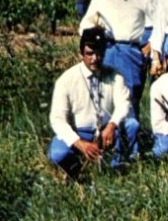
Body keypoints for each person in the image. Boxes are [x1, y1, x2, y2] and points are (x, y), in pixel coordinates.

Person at [48, 27, 140, 180]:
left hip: (106, 131)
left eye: (99, 53)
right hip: (79, 131)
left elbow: (124, 103)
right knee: (57, 154)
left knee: (132, 125)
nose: (94, 58)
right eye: (89, 54)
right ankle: (76, 171)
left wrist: (112, 125)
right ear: (81, 54)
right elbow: (57, 120)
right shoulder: (66, 80)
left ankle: (115, 169)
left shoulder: (115, 76)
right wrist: (79, 143)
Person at [79, 0, 156, 112]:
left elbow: (159, 22)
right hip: (107, 51)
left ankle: (131, 133)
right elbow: (84, 25)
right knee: (105, 96)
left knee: (131, 96)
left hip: (131, 52)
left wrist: (151, 44)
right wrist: (94, 29)